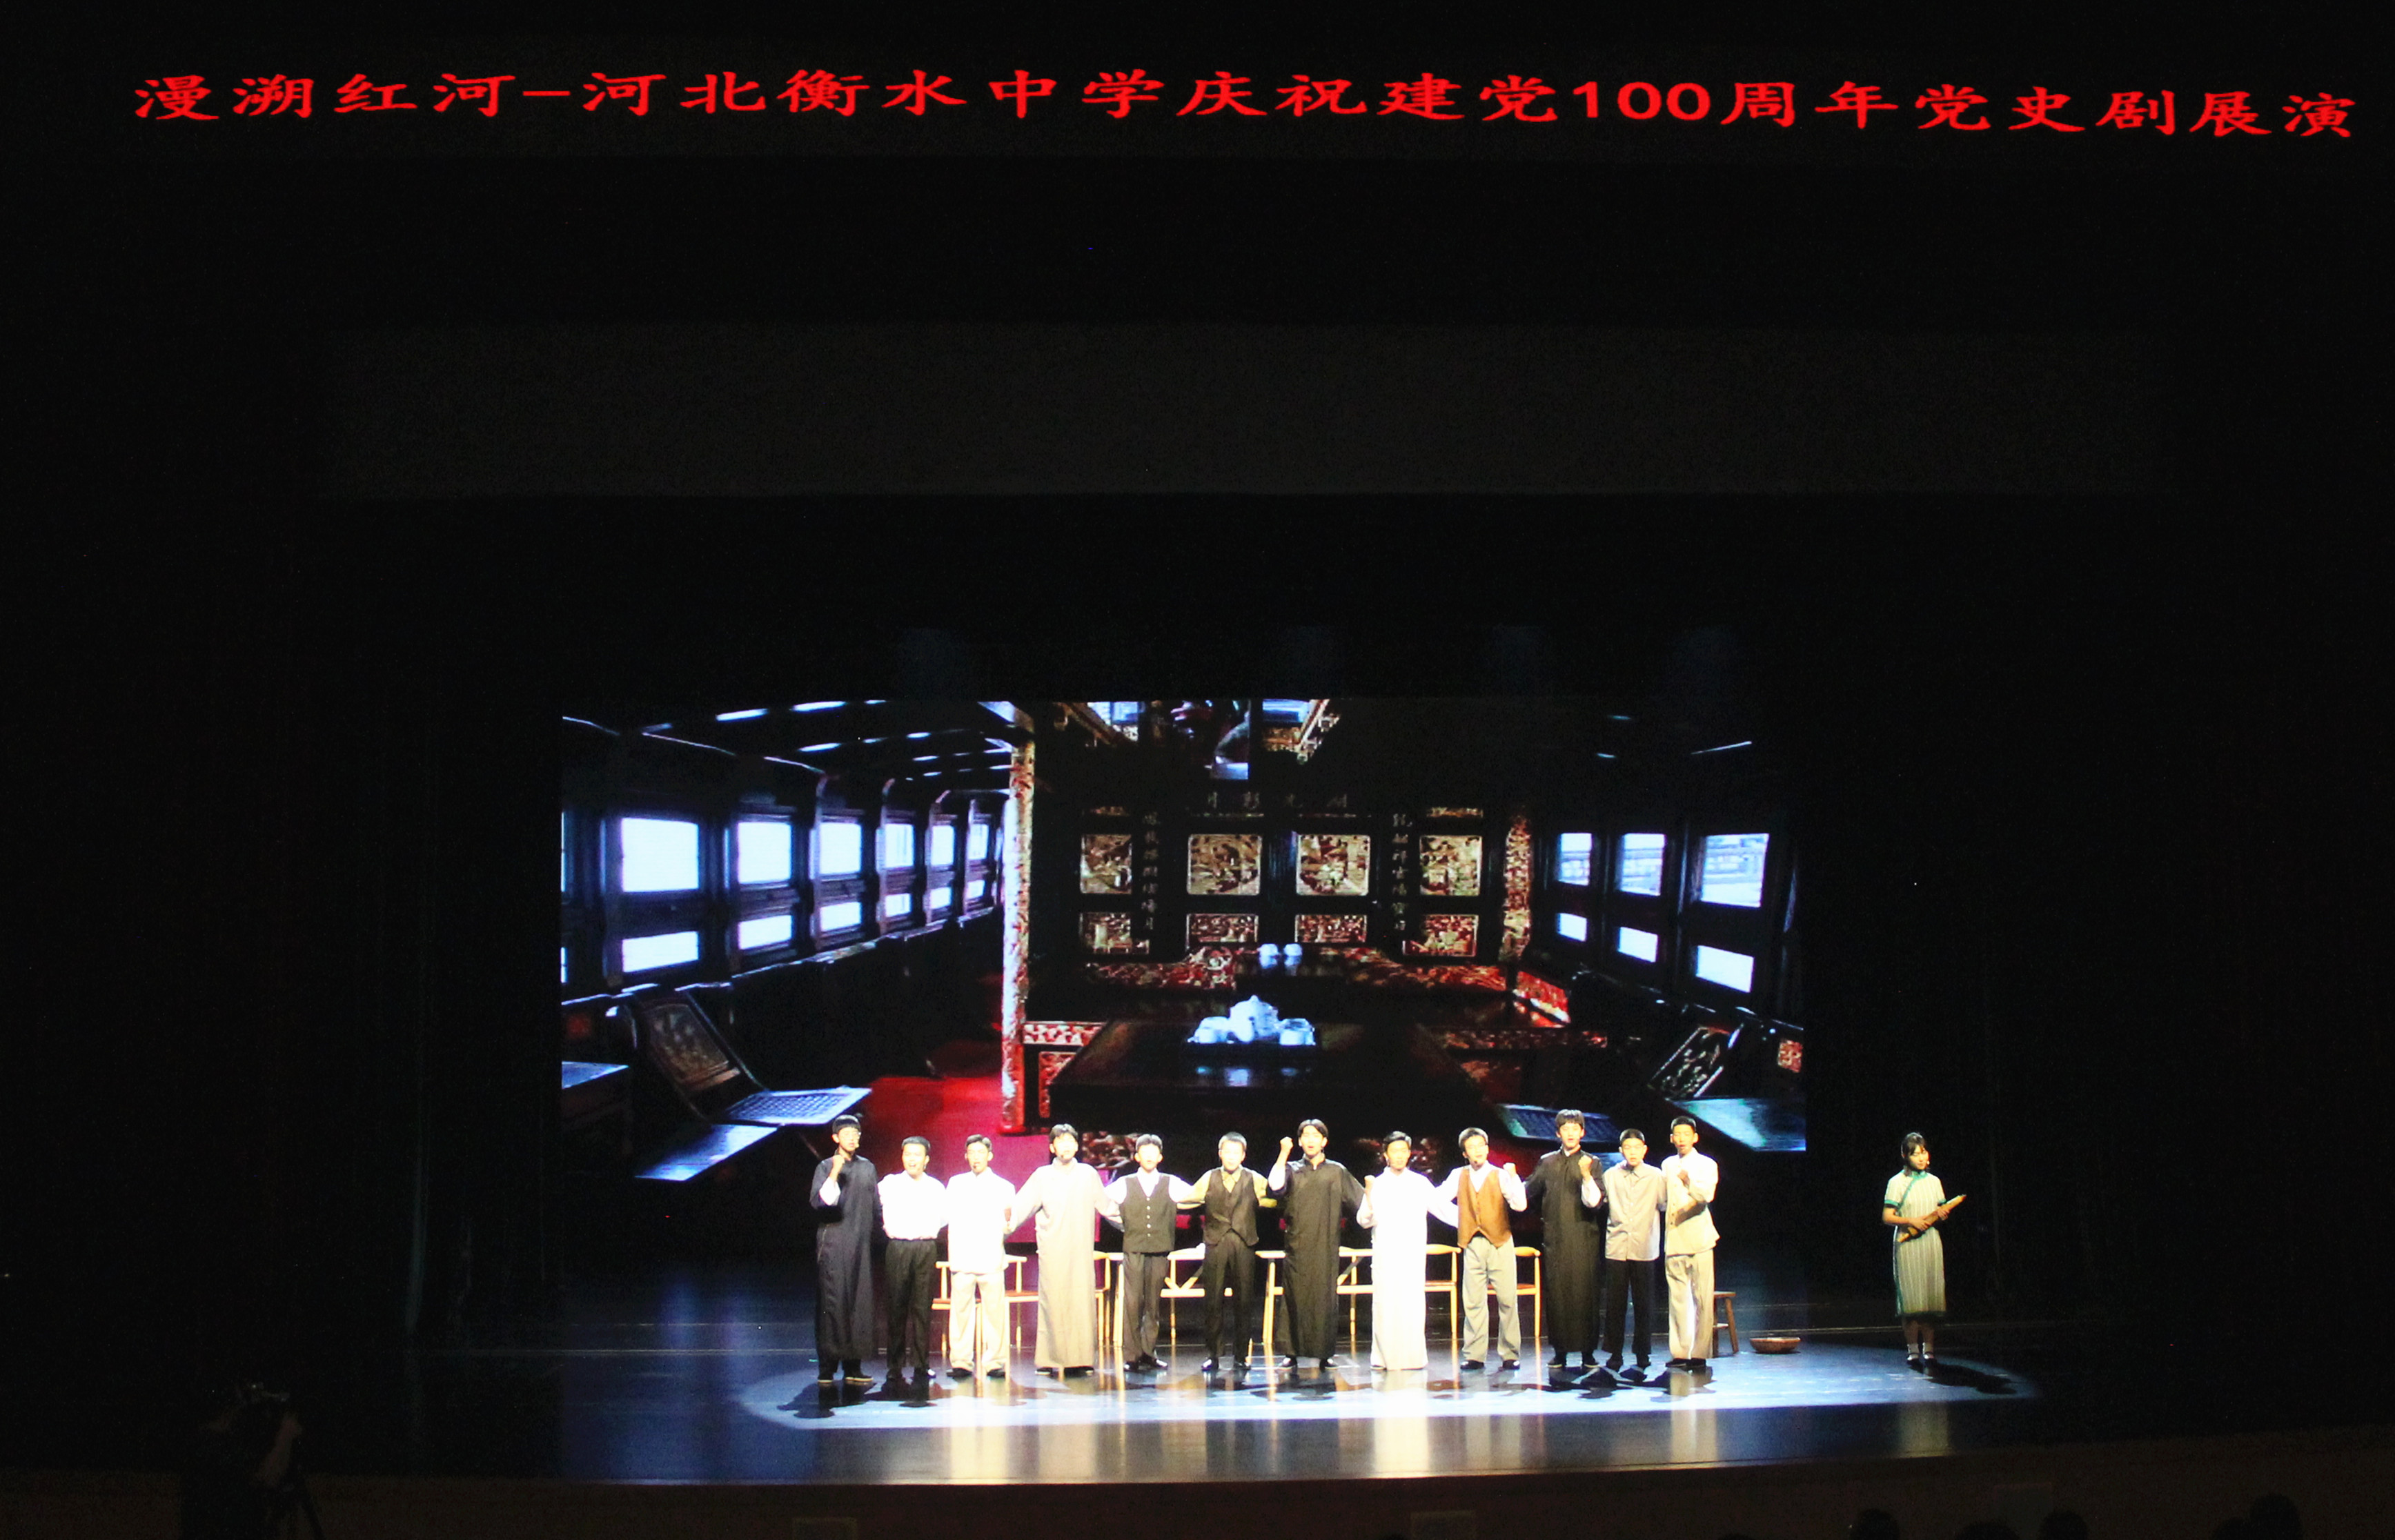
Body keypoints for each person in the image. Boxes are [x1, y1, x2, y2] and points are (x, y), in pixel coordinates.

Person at [1266, 1118, 1365, 1372]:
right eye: (1306, 1135)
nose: (1311, 1140)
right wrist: (1283, 1153)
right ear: (1300, 1141)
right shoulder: (1291, 1169)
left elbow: (1361, 1201)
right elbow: (1275, 1186)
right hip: (1297, 1244)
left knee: (1324, 1298)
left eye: (1315, 1135)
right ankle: (1291, 1352)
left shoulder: (1336, 1171)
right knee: (1294, 1296)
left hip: (1326, 1244)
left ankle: (1324, 1353)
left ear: (1324, 1141)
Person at [1013, 1121, 1105, 1376]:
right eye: (1060, 1141)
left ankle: (1081, 1359)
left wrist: (1133, 1222)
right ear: (1052, 1147)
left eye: (1070, 1141)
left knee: (1081, 1301)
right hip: (1053, 1250)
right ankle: (1049, 1358)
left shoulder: (1088, 1174)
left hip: (1080, 1250)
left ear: (1077, 1146)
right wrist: (999, 1227)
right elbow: (1019, 1208)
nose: (1066, 1145)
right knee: (1053, 1302)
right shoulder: (1042, 1176)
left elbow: (1108, 1207)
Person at [1356, 1130, 1452, 1372]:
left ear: (1409, 1154)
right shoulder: (1378, 1184)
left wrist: (1477, 1221)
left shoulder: (1419, 1183)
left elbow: (1445, 1210)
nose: (1399, 1156)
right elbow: (1363, 1220)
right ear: (1386, 1155)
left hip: (1412, 1254)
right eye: (1394, 1151)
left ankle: (1412, 1358)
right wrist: (1369, 1206)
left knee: (1412, 1304)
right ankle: (1384, 1357)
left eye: (1403, 1151)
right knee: (1386, 1305)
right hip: (1386, 1254)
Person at [1098, 1134, 1196, 1371]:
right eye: (1145, 1152)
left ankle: (1148, 1352)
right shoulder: (1125, 1183)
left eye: (1154, 1152)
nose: (1150, 1156)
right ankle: (1132, 1356)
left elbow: (1195, 1198)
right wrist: (1124, 1224)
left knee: (1153, 1303)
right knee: (1133, 1302)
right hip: (1134, 1249)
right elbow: (1103, 1204)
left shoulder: (1171, 1183)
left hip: (1160, 1249)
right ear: (1137, 1156)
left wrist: (1172, 1215)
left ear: (1160, 1157)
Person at [1435, 1126, 1528, 1371]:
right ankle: (1475, 1355)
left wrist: (1514, 1178)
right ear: (1464, 1153)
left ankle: (1510, 1353)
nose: (1477, 1151)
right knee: (1473, 1301)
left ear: (1487, 1148)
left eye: (1481, 1146)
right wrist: (1461, 1220)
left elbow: (1519, 1205)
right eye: (1471, 1147)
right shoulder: (1458, 1175)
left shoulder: (1500, 1174)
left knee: (1507, 1300)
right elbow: (1436, 1200)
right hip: (1472, 1244)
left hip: (1499, 1242)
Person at [1182, 1132, 1274, 1376]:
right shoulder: (1209, 1177)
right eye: (1227, 1152)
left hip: (1244, 1243)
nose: (1232, 1157)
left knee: (1244, 1301)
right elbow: (1187, 1200)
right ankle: (1213, 1354)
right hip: (1216, 1243)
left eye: (1236, 1152)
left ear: (1243, 1155)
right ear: (1220, 1154)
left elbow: (1274, 1199)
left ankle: (1241, 1355)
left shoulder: (1254, 1178)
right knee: (1213, 1300)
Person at [1524, 1109, 1606, 1374]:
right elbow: (1528, 1192)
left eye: (1575, 1128)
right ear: (1558, 1133)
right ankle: (1560, 1352)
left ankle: (1588, 1353)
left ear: (1583, 1132)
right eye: (1565, 1129)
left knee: (1585, 1294)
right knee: (1558, 1295)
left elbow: (1595, 1203)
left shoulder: (1593, 1162)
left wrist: (1586, 1175)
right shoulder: (1547, 1162)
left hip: (1584, 1239)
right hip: (1556, 1240)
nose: (1570, 1133)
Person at [809, 1112, 880, 1385]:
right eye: (846, 1134)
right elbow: (822, 1202)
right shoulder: (826, 1166)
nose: (852, 1138)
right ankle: (827, 1367)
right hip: (835, 1244)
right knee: (834, 1304)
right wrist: (835, 1171)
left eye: (855, 1134)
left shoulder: (868, 1167)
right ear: (836, 1138)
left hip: (860, 1244)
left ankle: (853, 1366)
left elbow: (875, 1205)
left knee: (858, 1304)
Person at [1884, 1132, 1964, 1369]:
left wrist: (1942, 1214)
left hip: (1930, 1242)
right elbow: (1887, 1216)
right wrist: (1912, 1221)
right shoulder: (1897, 1182)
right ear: (1905, 1156)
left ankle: (1929, 1350)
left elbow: (1939, 1212)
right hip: (1908, 1244)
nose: (1921, 1158)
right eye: (1915, 1154)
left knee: (1929, 1298)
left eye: (1923, 1152)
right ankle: (1913, 1350)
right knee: (1912, 1300)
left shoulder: (1934, 1182)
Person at [1597, 1127, 1668, 1382]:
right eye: (1628, 1148)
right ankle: (1614, 1355)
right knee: (1614, 1304)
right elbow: (1601, 1203)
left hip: (1644, 1246)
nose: (1633, 1152)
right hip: (1616, 1247)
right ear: (1621, 1151)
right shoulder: (1610, 1175)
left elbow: (1663, 1204)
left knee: (1643, 1304)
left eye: (1637, 1147)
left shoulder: (1656, 1176)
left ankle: (1642, 1355)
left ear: (1645, 1150)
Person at [944, 1134, 1017, 1380]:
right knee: (961, 1313)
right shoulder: (955, 1184)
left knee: (994, 1314)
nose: (976, 1157)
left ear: (990, 1155)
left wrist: (1006, 1223)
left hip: (991, 1257)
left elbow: (1009, 1225)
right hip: (962, 1257)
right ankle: (961, 1362)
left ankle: (995, 1362)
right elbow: (947, 1216)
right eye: (972, 1153)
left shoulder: (1004, 1187)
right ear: (966, 1156)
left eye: (981, 1152)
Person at [877, 1135, 947, 1388]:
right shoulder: (889, 1184)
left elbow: (944, 1218)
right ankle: (894, 1367)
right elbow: (874, 1207)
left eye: (917, 1155)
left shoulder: (936, 1187)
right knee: (896, 1308)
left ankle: (921, 1364)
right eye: (908, 1154)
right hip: (898, 1248)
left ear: (926, 1160)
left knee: (922, 1308)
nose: (912, 1159)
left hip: (925, 1249)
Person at [1660, 1115, 1721, 1371]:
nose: (1682, 1139)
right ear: (1672, 1138)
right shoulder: (1666, 1164)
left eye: (1687, 1134)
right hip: (1674, 1239)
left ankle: (1699, 1353)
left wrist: (1688, 1181)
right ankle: (1680, 1352)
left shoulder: (1707, 1164)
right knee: (1678, 1300)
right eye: (1678, 1135)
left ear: (1695, 1137)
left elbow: (1706, 1195)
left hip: (1699, 1239)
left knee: (1702, 1298)